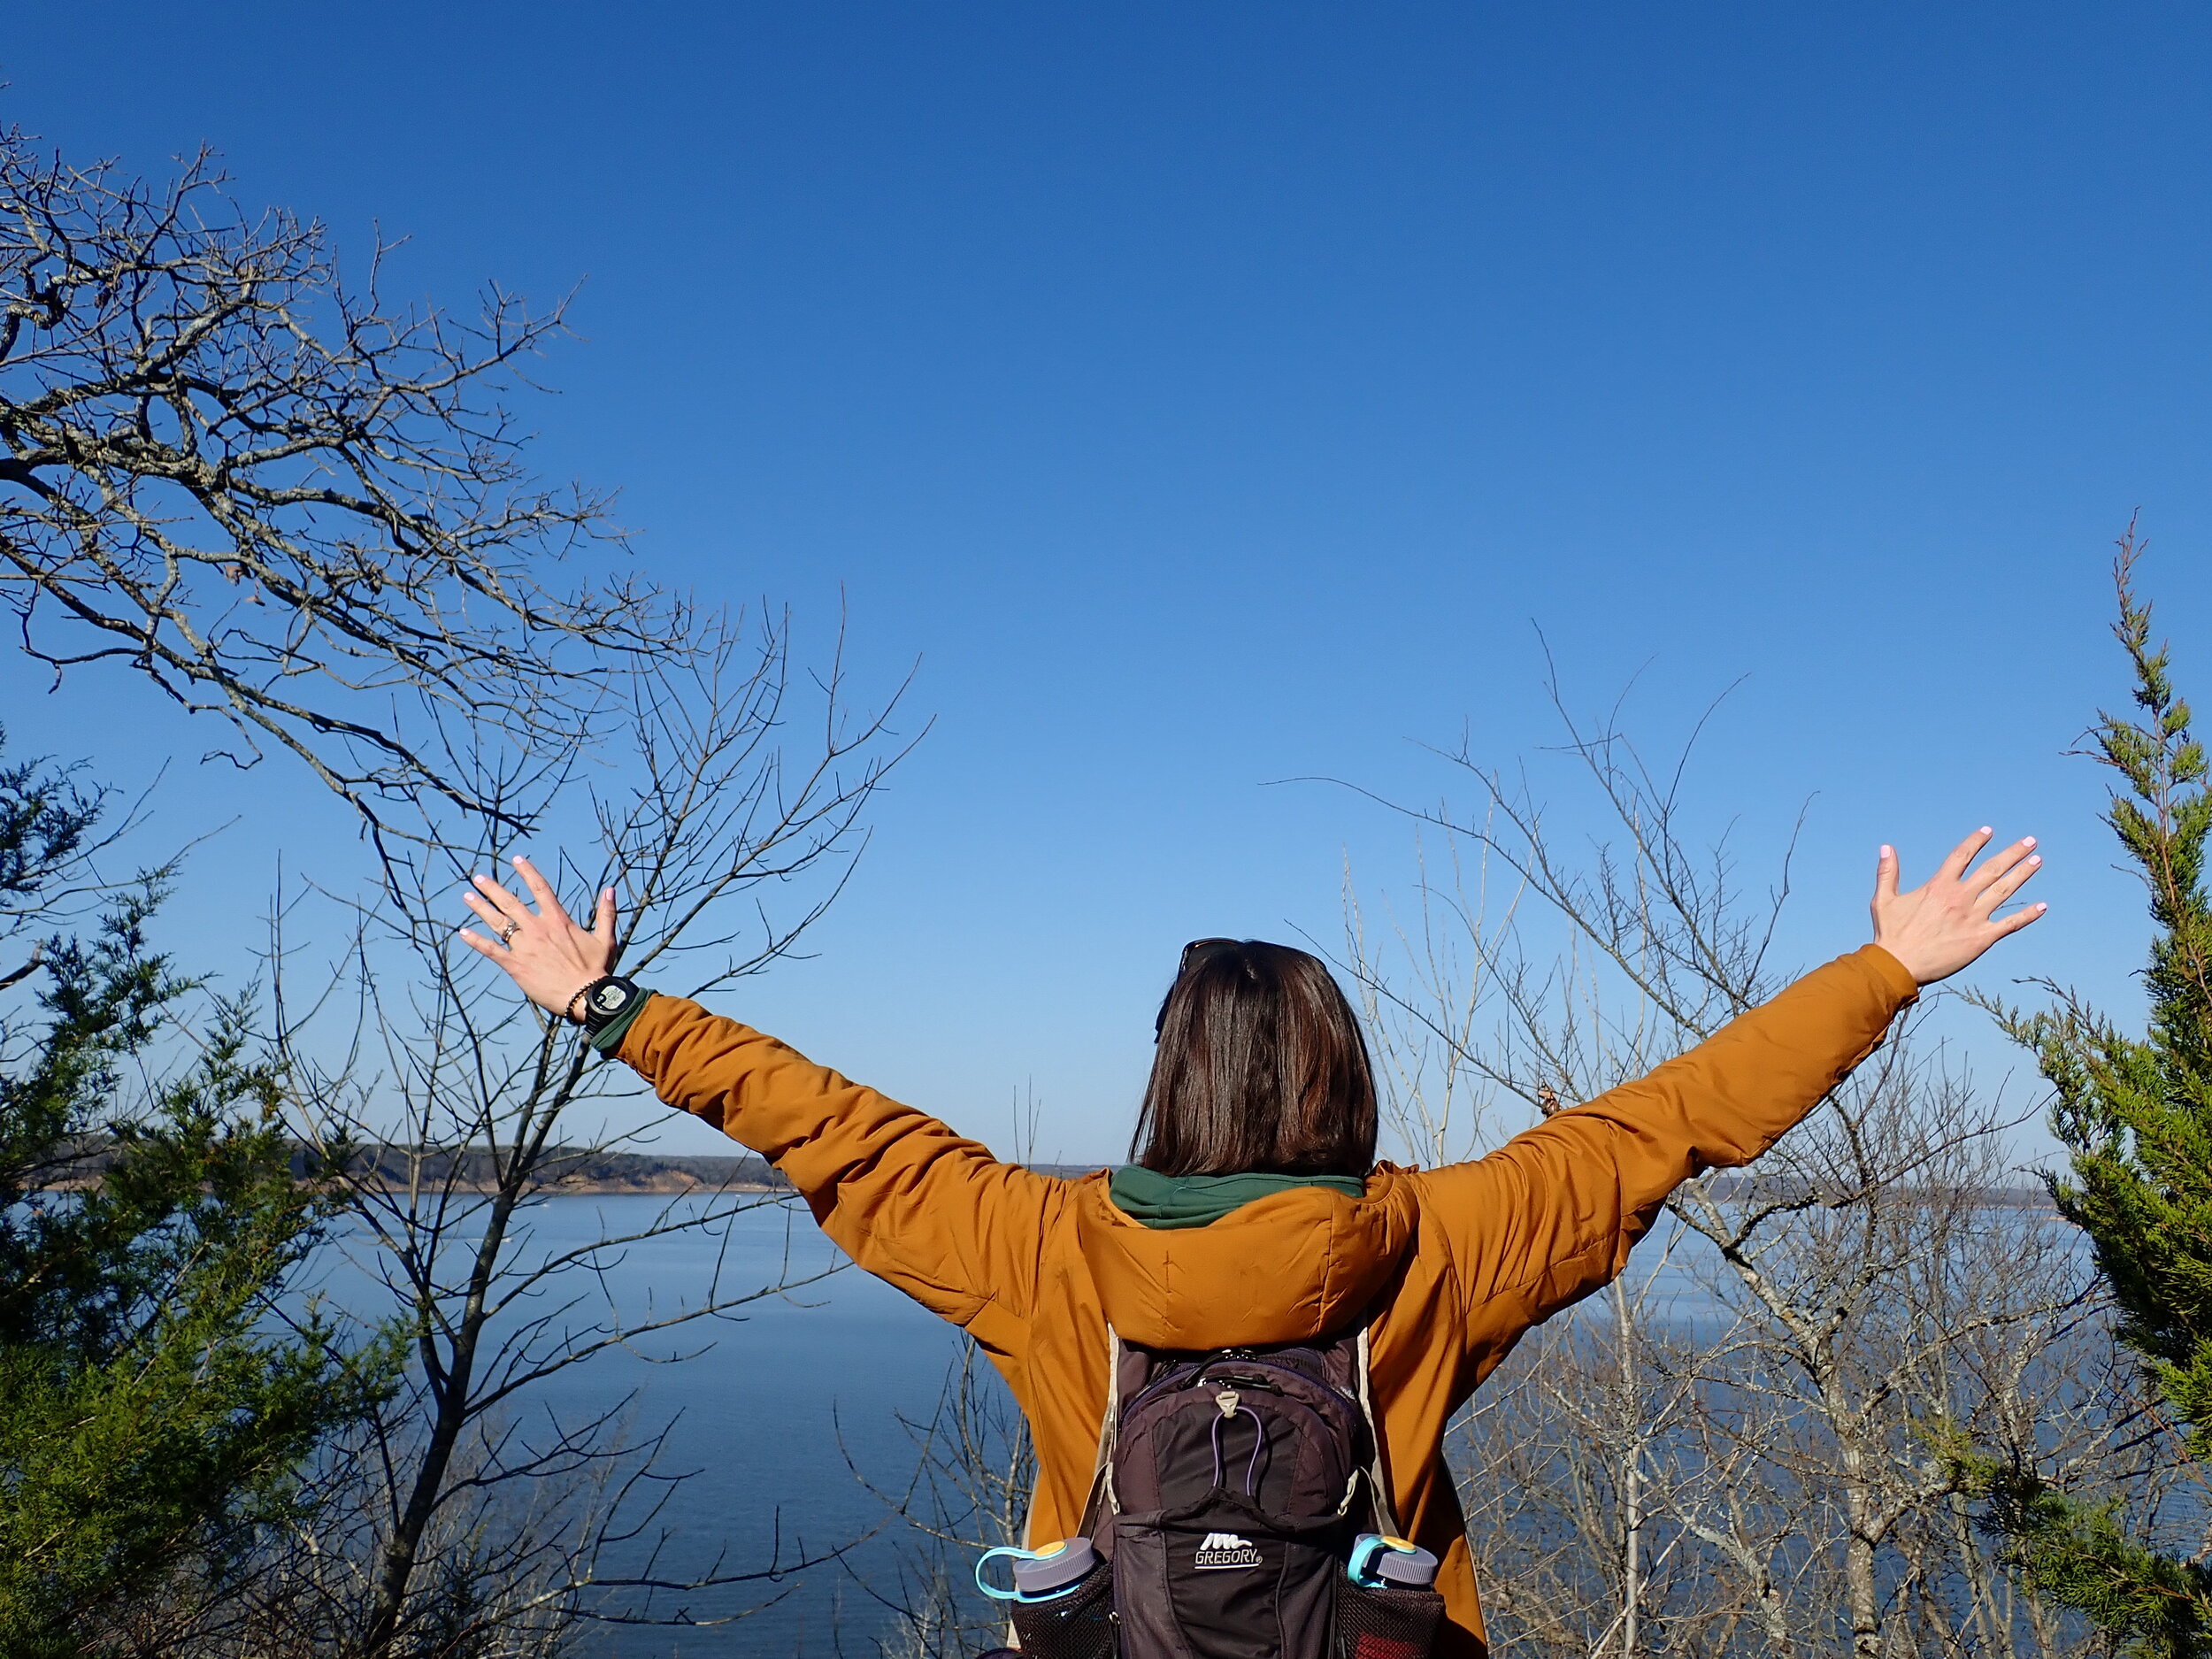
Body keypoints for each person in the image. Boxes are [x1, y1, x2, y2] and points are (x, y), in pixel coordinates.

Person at [458, 829, 2046, 1659]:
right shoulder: (1447, 1244)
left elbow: (832, 1129)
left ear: (1164, 1088)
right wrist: (1884, 973)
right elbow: (1673, 1123)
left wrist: (612, 1007)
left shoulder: (1043, 1250)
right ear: (1346, 1079)